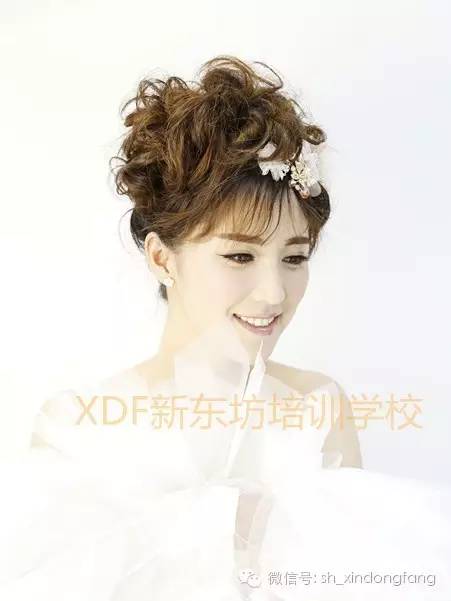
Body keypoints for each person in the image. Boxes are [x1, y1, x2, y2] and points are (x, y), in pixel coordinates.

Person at [1, 55, 450, 601]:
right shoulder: (78, 424)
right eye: (240, 256)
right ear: (162, 258)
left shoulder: (318, 408)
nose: (274, 293)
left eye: (294, 257)